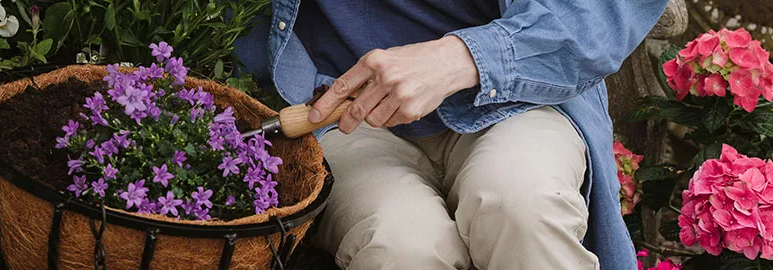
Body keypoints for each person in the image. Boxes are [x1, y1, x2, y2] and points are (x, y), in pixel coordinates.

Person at [233, 0, 669, 269]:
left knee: (522, 204)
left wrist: (461, 58)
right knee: (401, 245)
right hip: (338, 107)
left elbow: (601, 14)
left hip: (517, 94)